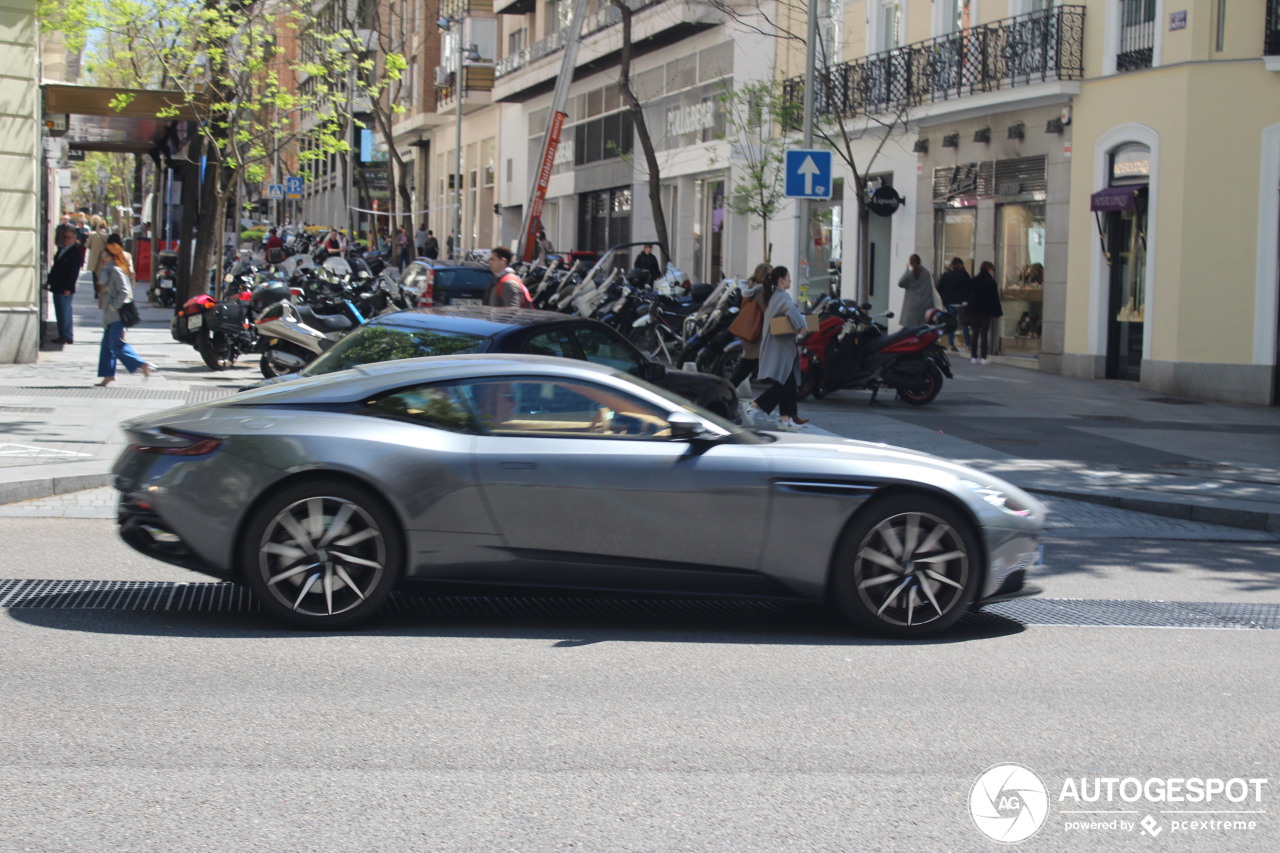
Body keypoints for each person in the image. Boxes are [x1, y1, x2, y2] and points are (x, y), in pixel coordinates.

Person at [745, 266, 808, 431]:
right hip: (780, 348)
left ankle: (785, 419)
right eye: (788, 277)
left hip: (780, 347)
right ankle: (754, 406)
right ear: (781, 280)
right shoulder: (782, 297)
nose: (790, 280)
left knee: (787, 383)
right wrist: (801, 326)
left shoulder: (774, 296)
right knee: (784, 384)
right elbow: (792, 311)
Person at [95, 236, 153, 386]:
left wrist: (114, 306)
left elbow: (125, 291)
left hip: (116, 315)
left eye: (105, 255)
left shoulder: (115, 270)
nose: (103, 257)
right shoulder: (107, 270)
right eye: (103, 254)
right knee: (107, 345)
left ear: (112, 255)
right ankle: (108, 375)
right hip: (110, 315)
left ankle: (141, 364)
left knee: (116, 345)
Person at [728, 262, 772, 391]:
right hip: (757, 337)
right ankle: (723, 392)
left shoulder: (753, 288)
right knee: (743, 371)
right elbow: (768, 312)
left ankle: (725, 391)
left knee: (743, 371)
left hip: (753, 335)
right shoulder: (761, 290)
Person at [47, 225, 85, 344]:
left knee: (65, 312)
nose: (66, 239)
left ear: (74, 239)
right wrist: (49, 281)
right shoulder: (61, 249)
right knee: (59, 311)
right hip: (57, 286)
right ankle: (62, 334)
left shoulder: (75, 253)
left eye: (69, 237)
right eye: (65, 237)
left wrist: (69, 287)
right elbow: (56, 268)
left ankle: (67, 335)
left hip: (65, 288)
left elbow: (74, 273)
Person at [967, 261, 1003, 365]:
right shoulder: (990, 281)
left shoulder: (974, 280)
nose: (992, 272)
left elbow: (969, 295)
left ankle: (973, 356)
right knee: (984, 334)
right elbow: (995, 298)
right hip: (985, 311)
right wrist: (998, 312)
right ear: (989, 269)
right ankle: (983, 357)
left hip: (974, 310)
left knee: (975, 333)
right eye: (992, 270)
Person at [935, 257, 972, 351]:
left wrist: (943, 300)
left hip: (949, 303)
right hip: (962, 304)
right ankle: (968, 344)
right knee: (964, 324)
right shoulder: (964, 275)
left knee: (951, 324)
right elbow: (970, 288)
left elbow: (939, 288)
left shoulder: (946, 275)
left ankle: (951, 344)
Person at [897, 254, 935, 328]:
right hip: (925, 305)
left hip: (911, 306)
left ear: (910, 262)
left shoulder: (909, 274)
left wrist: (907, 270)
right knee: (923, 329)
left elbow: (900, 283)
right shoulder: (927, 273)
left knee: (909, 331)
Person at [85, 216, 109, 296]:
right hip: (104, 258)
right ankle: (102, 290)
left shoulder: (93, 235)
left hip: (94, 258)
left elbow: (87, 245)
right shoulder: (107, 236)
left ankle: (96, 291)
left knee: (94, 275)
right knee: (103, 274)